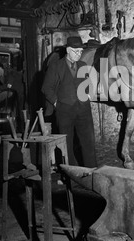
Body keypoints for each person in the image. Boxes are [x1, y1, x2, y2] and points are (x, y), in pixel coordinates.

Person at [41, 35, 97, 168]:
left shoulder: (83, 65)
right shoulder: (56, 66)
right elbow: (46, 88)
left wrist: (88, 95)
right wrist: (56, 103)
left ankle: (92, 173)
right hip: (64, 111)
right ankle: (70, 176)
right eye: (76, 51)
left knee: (89, 142)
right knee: (66, 145)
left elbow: (88, 83)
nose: (79, 54)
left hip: (83, 109)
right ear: (68, 50)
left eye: (80, 51)